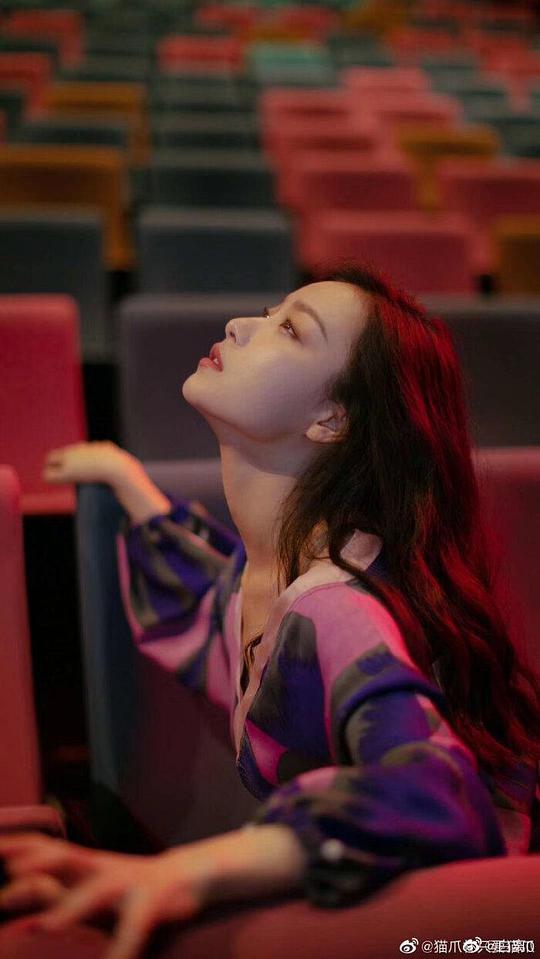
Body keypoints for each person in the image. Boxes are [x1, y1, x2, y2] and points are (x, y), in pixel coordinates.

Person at [0, 266, 538, 959]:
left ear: (331, 419)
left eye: (289, 328)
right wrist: (127, 483)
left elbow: (435, 788)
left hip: (466, 925)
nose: (239, 324)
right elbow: (218, 607)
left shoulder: (335, 604)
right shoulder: (277, 573)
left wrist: (194, 869)